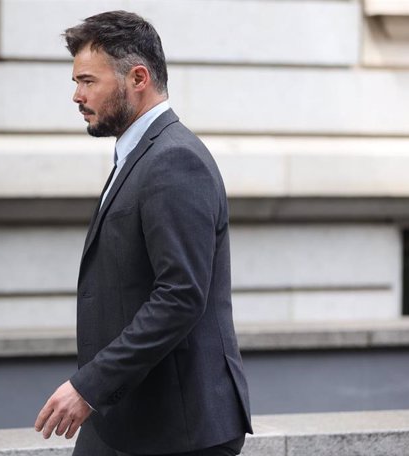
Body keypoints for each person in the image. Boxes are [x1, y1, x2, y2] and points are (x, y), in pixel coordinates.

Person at [34, 10, 253, 456]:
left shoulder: (174, 160)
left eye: (88, 81)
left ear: (138, 77)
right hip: (126, 419)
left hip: (177, 430)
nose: (77, 96)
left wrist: (89, 387)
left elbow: (180, 295)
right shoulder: (139, 155)